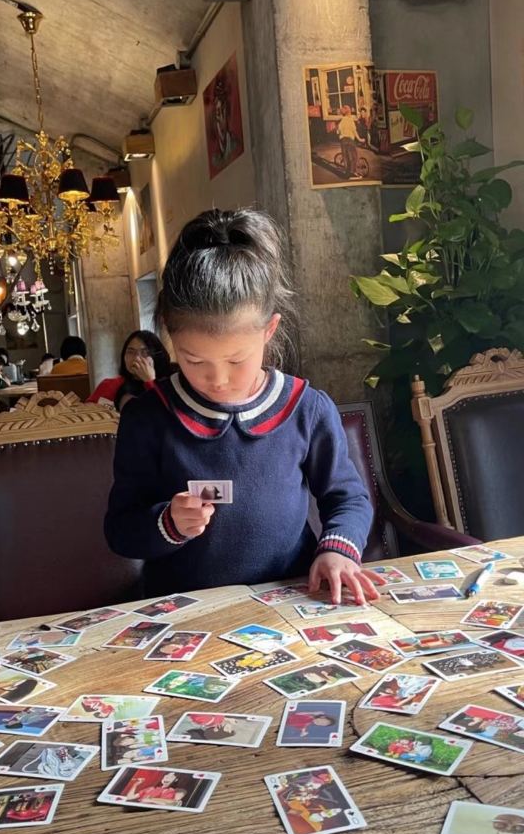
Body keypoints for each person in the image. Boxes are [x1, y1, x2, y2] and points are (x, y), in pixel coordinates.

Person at [105, 207, 379, 604]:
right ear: (169, 336)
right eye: (193, 360)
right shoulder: (149, 418)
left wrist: (337, 549)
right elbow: (120, 530)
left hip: (289, 596)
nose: (217, 379)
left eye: (236, 360)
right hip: (187, 609)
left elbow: (348, 497)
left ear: (269, 330)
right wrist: (168, 523)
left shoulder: (305, 409)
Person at [88, 330, 171, 408]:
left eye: (145, 352)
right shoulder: (110, 385)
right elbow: (88, 411)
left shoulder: (170, 383)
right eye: (130, 352)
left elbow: (167, 413)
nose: (136, 358)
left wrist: (150, 381)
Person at [337, 105, 360, 178]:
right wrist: (360, 139)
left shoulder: (341, 121)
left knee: (345, 156)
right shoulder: (350, 120)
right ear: (348, 112)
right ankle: (353, 172)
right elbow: (354, 131)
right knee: (354, 156)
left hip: (343, 140)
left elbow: (338, 131)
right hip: (350, 140)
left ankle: (347, 173)